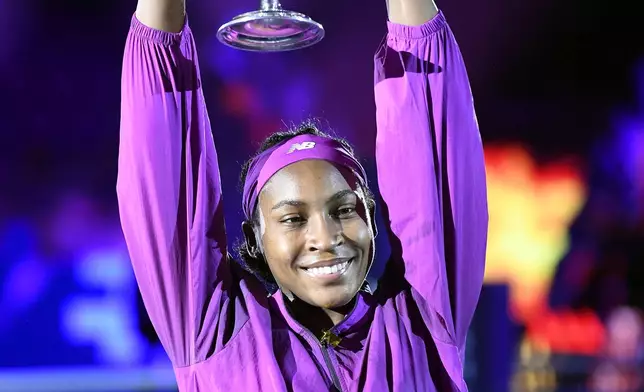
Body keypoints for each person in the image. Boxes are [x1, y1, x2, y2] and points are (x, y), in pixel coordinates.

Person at [117, 0, 488, 390]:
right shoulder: (216, 336)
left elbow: (430, 127)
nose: (326, 239)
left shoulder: (423, 323)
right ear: (256, 239)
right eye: (293, 218)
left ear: (372, 219)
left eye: (345, 210)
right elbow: (162, 152)